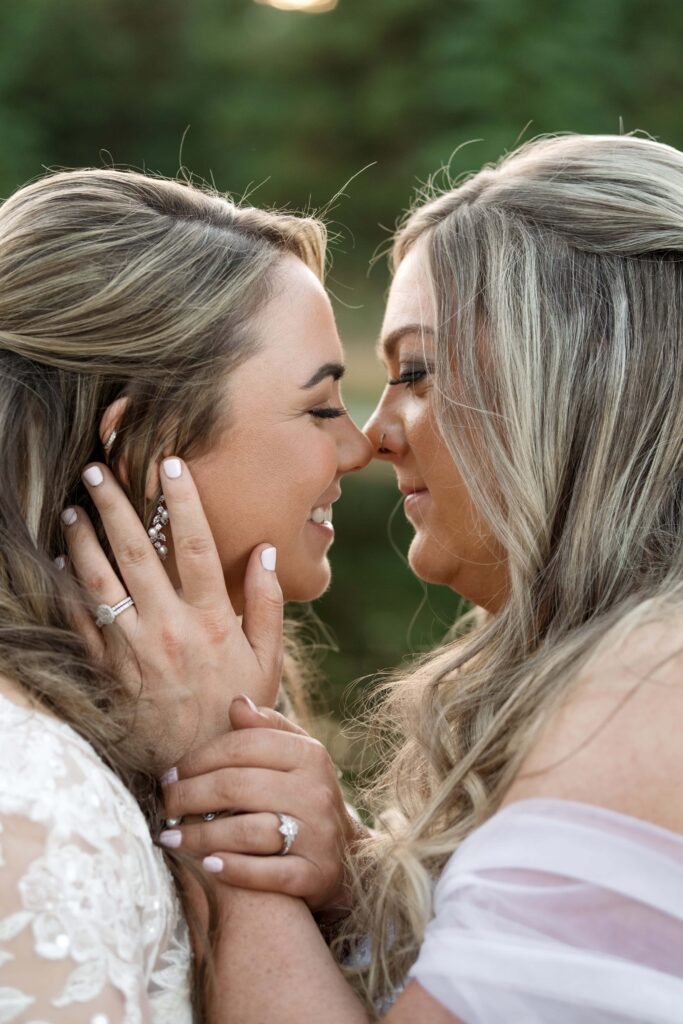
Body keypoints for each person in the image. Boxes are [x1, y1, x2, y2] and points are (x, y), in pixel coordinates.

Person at [70, 134, 683, 1022]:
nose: (372, 436)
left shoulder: (648, 691)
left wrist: (221, 815)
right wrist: (351, 876)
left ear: (577, 383)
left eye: (417, 373)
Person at [0, 169, 370, 1022]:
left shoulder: (187, 726)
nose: (358, 448)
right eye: (320, 409)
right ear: (148, 441)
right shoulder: (36, 804)